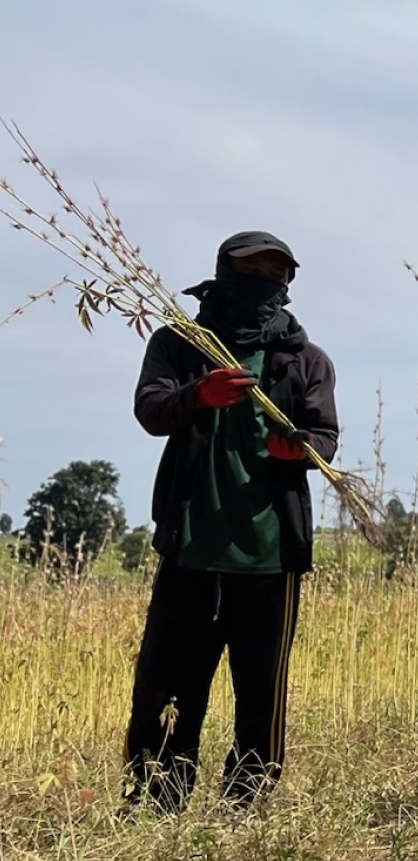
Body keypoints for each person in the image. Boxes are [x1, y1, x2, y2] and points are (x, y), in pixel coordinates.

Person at [124, 231, 338, 811]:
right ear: (222, 271)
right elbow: (151, 409)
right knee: (167, 681)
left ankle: (247, 804)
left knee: (261, 688)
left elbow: (325, 438)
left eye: (276, 273)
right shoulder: (182, 341)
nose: (264, 281)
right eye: (252, 270)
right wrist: (200, 393)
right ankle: (154, 798)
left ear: (287, 285)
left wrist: (301, 448)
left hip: (271, 551)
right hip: (192, 542)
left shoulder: (305, 357)